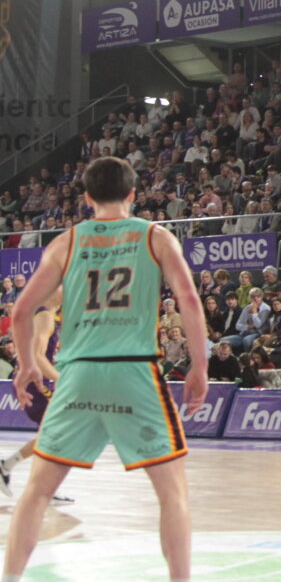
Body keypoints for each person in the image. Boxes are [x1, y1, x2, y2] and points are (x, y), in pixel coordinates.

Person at [4, 157, 208, 582]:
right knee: (172, 493)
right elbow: (189, 299)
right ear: (133, 194)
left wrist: (26, 366)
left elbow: (21, 311)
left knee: (37, 492)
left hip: (78, 373)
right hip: (135, 370)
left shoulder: (66, 242)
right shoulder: (155, 236)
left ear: (87, 197)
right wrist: (199, 367)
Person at [0, 291, 73, 505]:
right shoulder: (45, 317)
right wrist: (60, 378)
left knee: (50, 436)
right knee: (56, 435)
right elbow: (38, 356)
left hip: (33, 382)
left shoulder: (44, 315)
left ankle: (9, 468)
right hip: (36, 384)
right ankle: (41, 487)